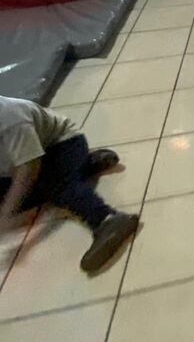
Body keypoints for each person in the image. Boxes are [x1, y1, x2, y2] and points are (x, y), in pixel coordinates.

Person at [0, 95, 139, 272]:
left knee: (56, 186)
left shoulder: (10, 118)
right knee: (34, 189)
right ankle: (87, 166)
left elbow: (29, 170)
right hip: (20, 163)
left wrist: (6, 215)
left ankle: (107, 220)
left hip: (63, 146)